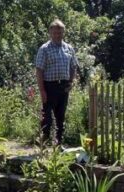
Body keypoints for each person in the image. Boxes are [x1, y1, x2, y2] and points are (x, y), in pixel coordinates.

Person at [34, 19, 78, 147]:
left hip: (63, 87)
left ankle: (58, 144)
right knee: (46, 117)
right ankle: (43, 144)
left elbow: (73, 66)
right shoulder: (44, 49)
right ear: (50, 33)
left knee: (61, 117)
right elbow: (39, 70)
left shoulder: (69, 48)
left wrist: (71, 82)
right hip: (49, 86)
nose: (57, 35)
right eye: (54, 33)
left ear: (63, 32)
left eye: (59, 32)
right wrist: (42, 90)